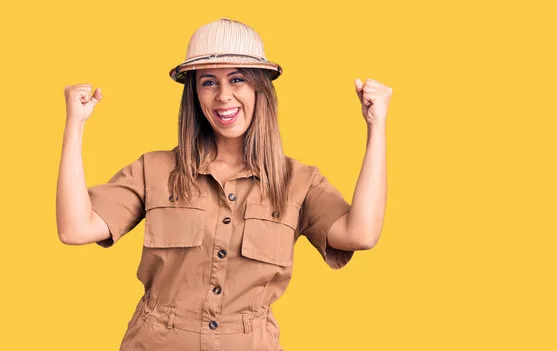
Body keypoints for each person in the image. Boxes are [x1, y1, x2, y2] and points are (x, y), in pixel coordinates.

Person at [56, 18, 392, 351]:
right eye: (208, 82)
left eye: (237, 79)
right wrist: (75, 124)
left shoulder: (297, 181)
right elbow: (75, 229)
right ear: (194, 94)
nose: (223, 96)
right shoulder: (154, 170)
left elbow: (360, 234)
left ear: (260, 88)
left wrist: (375, 128)